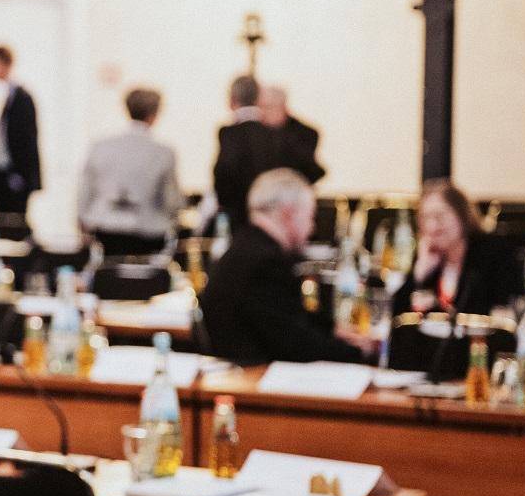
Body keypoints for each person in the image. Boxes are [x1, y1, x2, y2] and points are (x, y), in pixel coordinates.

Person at [201, 168, 373, 364]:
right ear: (289, 213)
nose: (312, 228)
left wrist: (332, 329)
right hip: (256, 383)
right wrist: (359, 352)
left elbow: (287, 316)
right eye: (310, 217)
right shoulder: (266, 263)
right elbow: (298, 345)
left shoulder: (243, 248)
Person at [77, 87, 182, 257]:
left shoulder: (101, 146)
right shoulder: (163, 153)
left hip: (105, 228)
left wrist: (82, 221)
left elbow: (85, 192)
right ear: (154, 114)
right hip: (147, 232)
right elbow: (170, 200)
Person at [213, 76, 322, 231]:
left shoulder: (297, 136)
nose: (261, 113)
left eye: (266, 107)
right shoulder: (265, 136)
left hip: (276, 216)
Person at [406, 179, 522, 317]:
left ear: (461, 215)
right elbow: (398, 319)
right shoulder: (426, 257)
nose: (432, 227)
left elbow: (504, 309)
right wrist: (418, 275)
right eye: (425, 218)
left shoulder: (495, 252)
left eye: (440, 216)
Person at [0, 45, 41, 218]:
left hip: (15, 173)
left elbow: (26, 138)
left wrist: (21, 174)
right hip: (5, 173)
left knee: (13, 222)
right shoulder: (9, 95)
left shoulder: (21, 97)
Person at [258, 84, 325, 185]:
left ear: (282, 106)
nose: (262, 113)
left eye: (267, 107)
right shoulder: (256, 132)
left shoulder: (304, 134)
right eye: (260, 107)